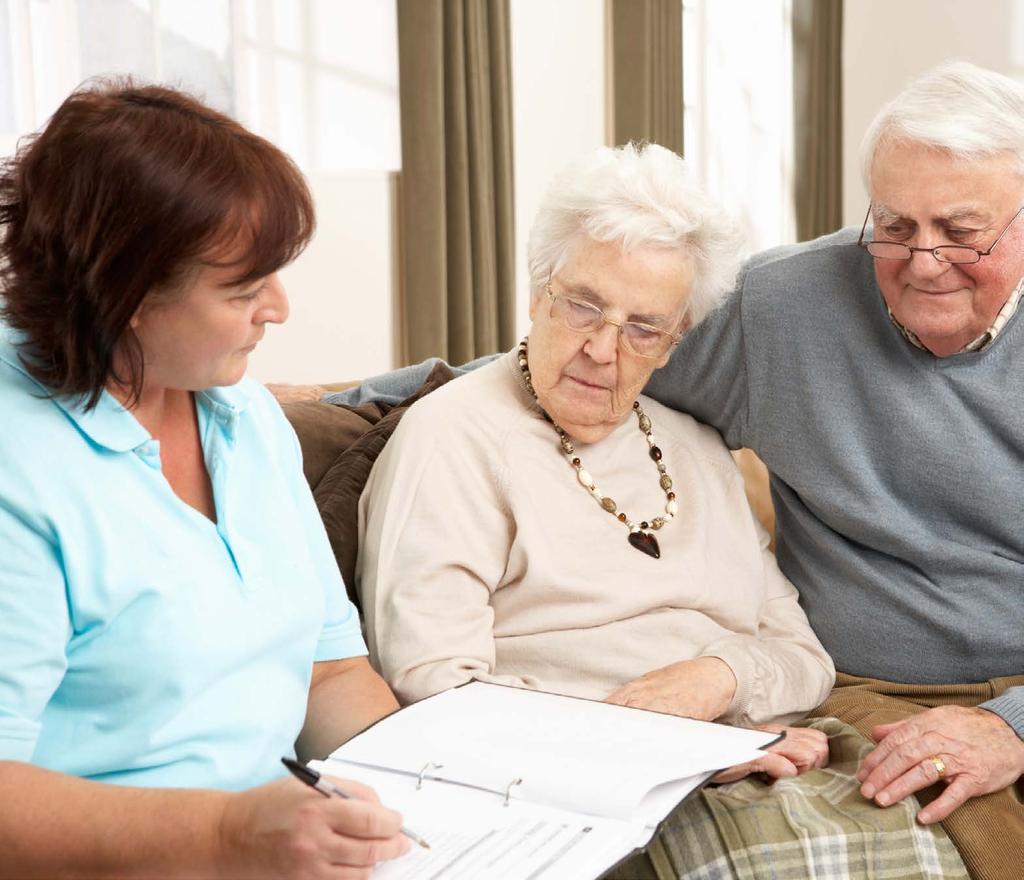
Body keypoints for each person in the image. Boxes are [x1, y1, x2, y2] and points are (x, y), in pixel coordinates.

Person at [355, 144, 971, 878]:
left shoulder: (695, 446)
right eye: (582, 305)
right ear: (536, 294)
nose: (601, 350)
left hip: (738, 753)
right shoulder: (453, 438)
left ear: (679, 340)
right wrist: (655, 745)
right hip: (566, 786)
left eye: (644, 327)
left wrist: (721, 683)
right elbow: (434, 686)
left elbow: (804, 660)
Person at [0, 81, 410, 878]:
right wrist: (227, 835)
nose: (280, 309)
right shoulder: (19, 467)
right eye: (244, 288)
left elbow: (328, 673)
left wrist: (434, 795)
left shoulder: (243, 417)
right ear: (127, 298)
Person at [642, 61, 1024, 878]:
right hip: (856, 692)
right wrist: (342, 398)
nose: (923, 262)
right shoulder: (781, 304)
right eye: (894, 224)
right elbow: (592, 357)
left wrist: (1012, 726)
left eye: (963, 232)